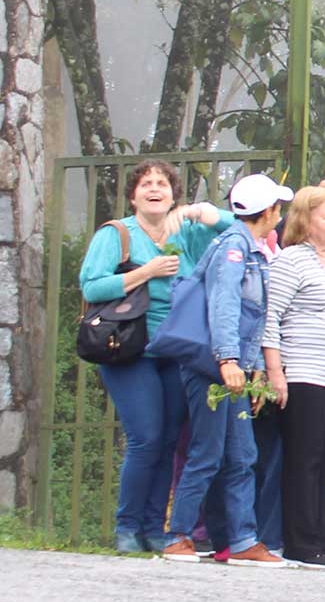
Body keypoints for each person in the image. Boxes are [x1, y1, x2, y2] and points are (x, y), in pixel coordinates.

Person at [78, 161, 234, 554]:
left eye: (161, 183)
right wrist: (145, 271)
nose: (154, 188)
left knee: (166, 441)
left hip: (177, 347)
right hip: (131, 347)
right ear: (133, 195)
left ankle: (153, 528)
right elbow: (92, 286)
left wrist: (203, 212)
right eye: (145, 183)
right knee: (145, 438)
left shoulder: (189, 231)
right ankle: (127, 527)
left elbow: (240, 232)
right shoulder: (117, 234)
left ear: (173, 194)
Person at [158, 173, 293, 567]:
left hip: (229, 367)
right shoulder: (234, 248)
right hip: (213, 368)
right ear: (267, 211)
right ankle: (177, 535)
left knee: (242, 454)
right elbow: (224, 307)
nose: (279, 214)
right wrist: (228, 360)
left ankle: (243, 539)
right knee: (207, 452)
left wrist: (248, 369)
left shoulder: (248, 248)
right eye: (277, 207)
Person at [260, 184, 325, 569]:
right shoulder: (291, 262)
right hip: (304, 372)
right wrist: (275, 371)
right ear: (306, 221)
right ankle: (300, 542)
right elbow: (269, 316)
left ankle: (320, 537)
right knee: (304, 459)